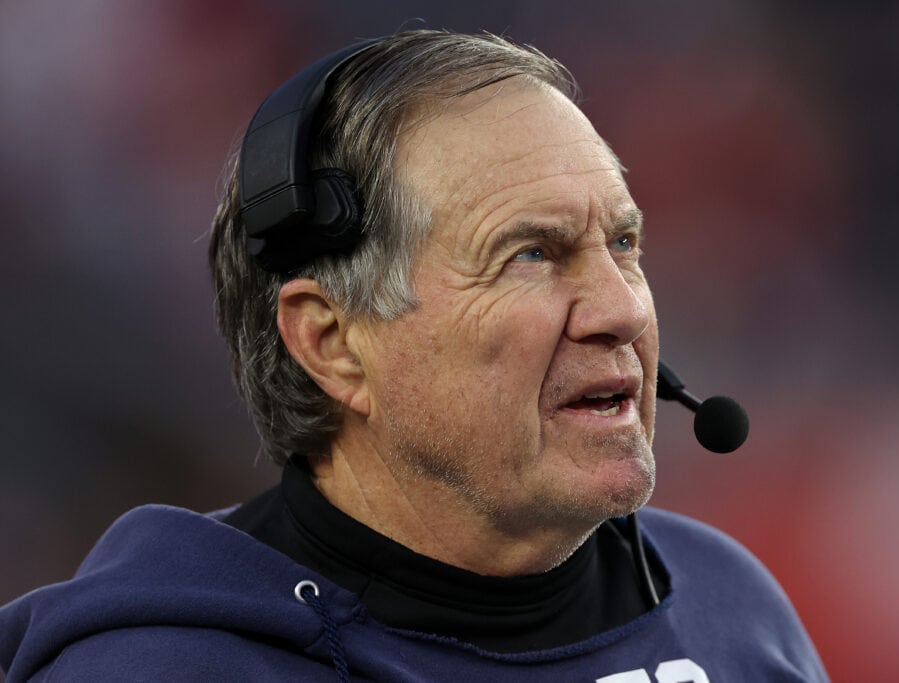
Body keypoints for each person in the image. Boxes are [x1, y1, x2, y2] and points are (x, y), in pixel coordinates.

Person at [0, 30, 828, 682]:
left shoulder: (727, 598)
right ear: (333, 343)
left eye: (623, 241)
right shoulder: (168, 669)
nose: (620, 308)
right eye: (529, 253)